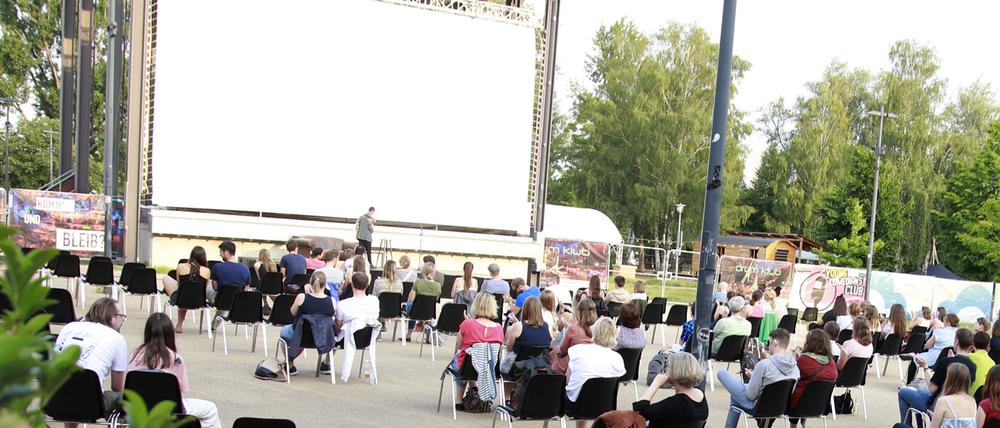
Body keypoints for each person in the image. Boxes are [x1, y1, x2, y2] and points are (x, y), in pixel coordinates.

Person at [127, 313, 222, 428]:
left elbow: (126, 386)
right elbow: (180, 393)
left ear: (147, 332)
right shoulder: (175, 359)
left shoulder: (134, 355)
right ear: (170, 334)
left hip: (136, 408)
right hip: (170, 411)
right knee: (210, 409)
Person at [53, 298, 128, 418]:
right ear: (112, 318)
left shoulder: (69, 327)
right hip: (91, 404)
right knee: (119, 399)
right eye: (122, 316)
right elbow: (117, 387)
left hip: (53, 399)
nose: (123, 320)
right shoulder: (117, 339)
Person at [718, 328, 800, 428]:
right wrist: (755, 377)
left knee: (722, 374)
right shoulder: (795, 368)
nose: (768, 345)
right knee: (737, 394)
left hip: (759, 407)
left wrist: (753, 379)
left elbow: (751, 395)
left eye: (769, 342)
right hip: (780, 408)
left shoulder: (764, 365)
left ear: (774, 342)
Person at [899, 328, 977, 426]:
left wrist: (925, 367)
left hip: (939, 404)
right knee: (919, 393)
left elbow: (931, 388)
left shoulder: (945, 362)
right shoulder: (973, 366)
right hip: (959, 406)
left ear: (956, 342)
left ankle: (906, 425)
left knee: (903, 392)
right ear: (970, 346)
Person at [565, 317, 626, 428]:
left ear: (595, 330)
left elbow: (567, 380)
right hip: (604, 405)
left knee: (577, 389)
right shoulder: (617, 358)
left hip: (576, 404)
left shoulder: (577, 350)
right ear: (613, 334)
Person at [448, 293, 504, 412]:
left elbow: (459, 345)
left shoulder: (467, 324)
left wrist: (467, 324)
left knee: (460, 357)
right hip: (489, 370)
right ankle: (474, 388)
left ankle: (459, 399)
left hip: (468, 368)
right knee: (476, 357)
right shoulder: (499, 327)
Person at [280, 271, 336, 376]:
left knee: (284, 333)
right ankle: (326, 363)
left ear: (310, 283)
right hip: (322, 337)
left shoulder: (302, 297)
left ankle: (290, 363)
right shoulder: (331, 301)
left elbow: (292, 312)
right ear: (325, 284)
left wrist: (307, 296)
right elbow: (332, 317)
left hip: (301, 335)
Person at [634, 352, 708, 427]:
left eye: (668, 367)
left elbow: (637, 415)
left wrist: (655, 384)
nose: (666, 370)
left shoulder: (674, 404)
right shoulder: (700, 394)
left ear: (675, 371)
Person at [895, 364, 978, 428]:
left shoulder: (944, 401)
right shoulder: (972, 401)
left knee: (898, 426)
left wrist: (927, 420)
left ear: (949, 380)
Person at [788, 329, 838, 428]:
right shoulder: (831, 363)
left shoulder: (803, 360)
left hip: (798, 405)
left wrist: (794, 357)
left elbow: (790, 373)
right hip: (820, 406)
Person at [162, 246, 212, 333]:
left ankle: (179, 325)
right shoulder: (207, 271)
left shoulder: (181, 266)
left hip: (182, 300)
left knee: (166, 278)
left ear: (191, 255)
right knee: (187, 291)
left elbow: (179, 283)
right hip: (199, 301)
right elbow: (204, 287)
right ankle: (179, 324)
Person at [551, 298, 598, 374]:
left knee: (555, 350)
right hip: (592, 363)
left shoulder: (573, 330)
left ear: (579, 313)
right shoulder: (599, 328)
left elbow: (562, 351)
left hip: (573, 365)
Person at [209, 241, 251, 322]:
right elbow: (246, 290)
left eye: (221, 252)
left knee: (208, 285)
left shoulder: (217, 267)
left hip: (220, 301)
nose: (220, 255)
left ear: (226, 252)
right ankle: (214, 326)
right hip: (237, 302)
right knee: (225, 296)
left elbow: (215, 288)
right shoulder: (245, 268)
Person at [406, 262, 442, 341]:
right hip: (429, 313)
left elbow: (411, 298)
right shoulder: (438, 285)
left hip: (415, 312)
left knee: (409, 305)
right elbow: (435, 300)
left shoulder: (418, 283)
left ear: (423, 271)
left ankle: (409, 335)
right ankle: (424, 327)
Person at [970, 332, 993, 396]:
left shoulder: (968, 357)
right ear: (988, 345)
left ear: (973, 343)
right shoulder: (992, 362)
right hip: (983, 396)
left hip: (968, 396)